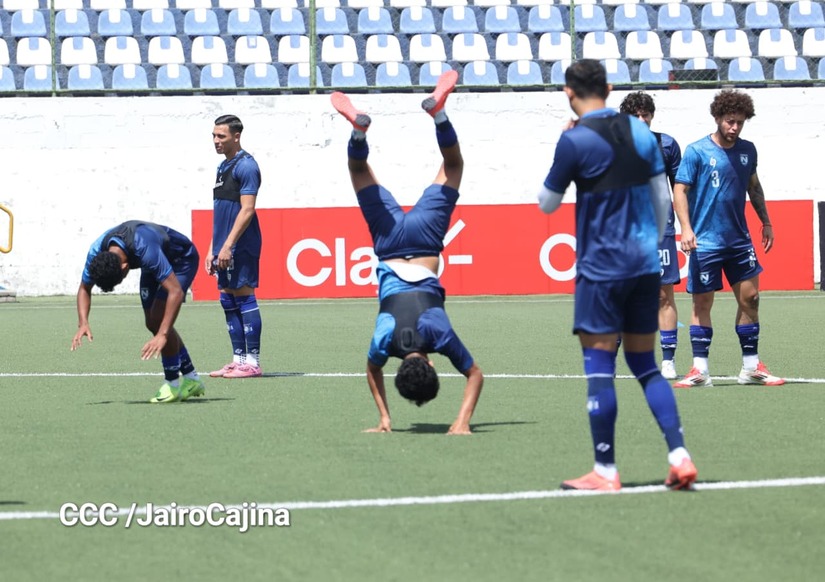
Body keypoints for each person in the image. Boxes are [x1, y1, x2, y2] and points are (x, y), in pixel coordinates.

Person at [537, 60, 697, 491]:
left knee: (600, 369)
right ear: (608, 89)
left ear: (568, 93)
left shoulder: (575, 139)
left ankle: (605, 469)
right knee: (645, 366)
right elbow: (661, 198)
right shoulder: (642, 134)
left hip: (601, 270)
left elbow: (547, 203)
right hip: (644, 264)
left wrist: (564, 147)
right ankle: (679, 455)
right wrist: (652, 243)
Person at [330, 70, 484, 435]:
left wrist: (462, 421)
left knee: (453, 166)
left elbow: (475, 375)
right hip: (389, 244)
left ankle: (439, 114)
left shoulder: (438, 333)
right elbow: (372, 370)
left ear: (431, 366)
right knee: (358, 169)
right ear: (400, 369)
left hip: (425, 239)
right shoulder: (383, 340)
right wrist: (384, 417)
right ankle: (358, 132)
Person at [672, 90, 784, 388]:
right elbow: (680, 190)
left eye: (740, 123)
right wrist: (685, 228)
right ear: (717, 117)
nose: (734, 127)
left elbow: (754, 187)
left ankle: (751, 368)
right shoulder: (696, 151)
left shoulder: (748, 150)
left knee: (751, 299)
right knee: (702, 303)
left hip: (739, 241)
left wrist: (766, 221)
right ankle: (699, 370)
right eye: (730, 121)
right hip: (705, 242)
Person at [71, 220, 205, 404]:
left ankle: (172, 383)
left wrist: (163, 334)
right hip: (154, 261)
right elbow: (84, 288)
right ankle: (191, 378)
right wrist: (83, 322)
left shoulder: (145, 249)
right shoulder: (97, 251)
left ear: (125, 267)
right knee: (152, 322)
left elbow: (175, 291)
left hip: (181, 258)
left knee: (158, 319)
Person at [619, 92, 683, 380]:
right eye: (636, 115)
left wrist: (687, 226)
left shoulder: (667, 145)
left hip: (660, 230)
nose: (642, 119)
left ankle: (668, 361)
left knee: (662, 294)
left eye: (646, 114)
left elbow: (680, 190)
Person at [206, 114, 264, 379]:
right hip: (224, 245)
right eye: (214, 136)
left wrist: (228, 245)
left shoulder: (247, 166)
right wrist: (213, 248)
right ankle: (238, 360)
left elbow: (247, 210)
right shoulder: (223, 167)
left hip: (241, 244)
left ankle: (252, 363)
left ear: (236, 136)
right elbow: (222, 212)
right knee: (227, 298)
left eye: (221, 136)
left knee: (243, 295)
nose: (216, 141)